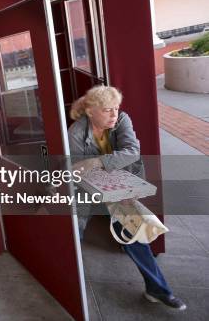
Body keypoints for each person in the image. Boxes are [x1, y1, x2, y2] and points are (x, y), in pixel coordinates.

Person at [68, 85, 186, 311]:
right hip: (84, 188)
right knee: (74, 233)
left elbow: (132, 151)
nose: (114, 114)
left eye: (116, 108)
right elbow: (77, 173)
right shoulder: (75, 133)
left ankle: (157, 289)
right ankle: (67, 290)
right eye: (107, 110)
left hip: (117, 183)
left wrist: (98, 162)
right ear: (91, 111)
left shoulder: (122, 119)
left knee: (134, 232)